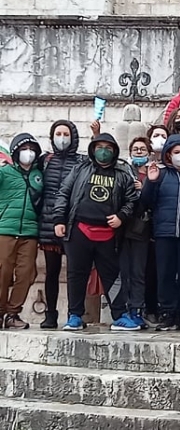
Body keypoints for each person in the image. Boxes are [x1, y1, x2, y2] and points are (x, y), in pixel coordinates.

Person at [54, 133, 139, 331]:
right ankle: (74, 316)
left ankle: (120, 315)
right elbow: (63, 193)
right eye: (99, 146)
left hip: (108, 233)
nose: (103, 151)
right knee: (76, 274)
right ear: (92, 149)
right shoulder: (80, 169)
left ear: (115, 151)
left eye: (108, 148)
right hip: (79, 230)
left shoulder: (122, 173)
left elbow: (131, 200)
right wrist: (59, 219)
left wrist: (121, 216)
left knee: (112, 276)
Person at [141, 134, 180, 331]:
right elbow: (146, 203)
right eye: (176, 152)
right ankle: (167, 312)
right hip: (164, 233)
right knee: (165, 274)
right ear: (168, 155)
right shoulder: (160, 175)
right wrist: (150, 183)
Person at [38, 121, 84, 329]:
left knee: (75, 272)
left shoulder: (81, 162)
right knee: (51, 272)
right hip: (49, 223)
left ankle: (75, 313)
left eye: (66, 133)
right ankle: (50, 314)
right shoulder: (45, 161)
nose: (62, 137)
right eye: (58, 133)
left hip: (73, 223)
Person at [0, 134, 43, 329]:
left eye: (32, 149)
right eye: (25, 148)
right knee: (3, 272)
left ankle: (12, 313)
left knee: (27, 273)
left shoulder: (39, 175)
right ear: (16, 152)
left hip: (30, 232)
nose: (29, 153)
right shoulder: (5, 172)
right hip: (5, 229)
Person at [120, 137, 153, 329]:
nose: (139, 152)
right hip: (123, 228)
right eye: (135, 149)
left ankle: (137, 309)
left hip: (142, 229)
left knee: (138, 272)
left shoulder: (153, 174)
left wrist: (146, 187)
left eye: (142, 149)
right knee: (124, 271)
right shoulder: (124, 172)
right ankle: (124, 308)